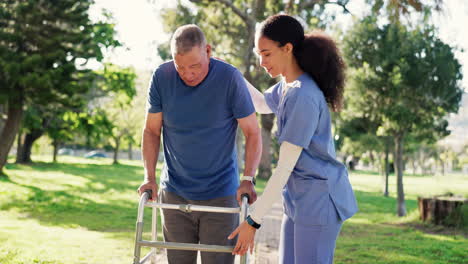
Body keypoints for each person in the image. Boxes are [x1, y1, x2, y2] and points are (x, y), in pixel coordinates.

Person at [228, 14, 358, 263]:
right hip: (298, 201)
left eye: (266, 54)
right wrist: (230, 72)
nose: (261, 62)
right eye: (258, 54)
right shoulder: (286, 87)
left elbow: (285, 167)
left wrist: (253, 220)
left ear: (287, 49)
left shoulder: (303, 94)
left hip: (320, 202)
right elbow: (261, 103)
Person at [137, 24, 262, 264]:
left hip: (220, 194)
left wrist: (247, 179)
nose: (188, 74)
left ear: (208, 51)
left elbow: (253, 132)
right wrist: (149, 177)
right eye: (180, 67)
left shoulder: (229, 78)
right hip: (174, 192)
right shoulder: (162, 77)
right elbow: (151, 131)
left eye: (194, 66)